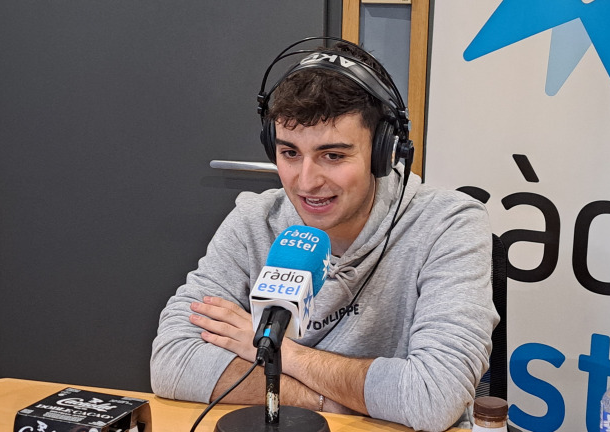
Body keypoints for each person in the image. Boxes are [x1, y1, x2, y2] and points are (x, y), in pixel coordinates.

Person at [150, 38, 499, 432]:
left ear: (383, 153)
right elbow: (173, 362)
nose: (306, 182)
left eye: (333, 156)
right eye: (290, 153)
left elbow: (432, 397)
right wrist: (321, 401)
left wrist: (278, 351)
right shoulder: (255, 220)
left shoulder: (448, 224)